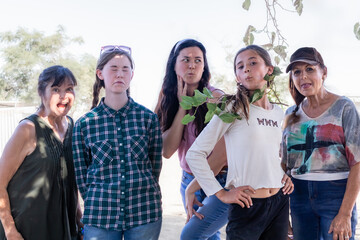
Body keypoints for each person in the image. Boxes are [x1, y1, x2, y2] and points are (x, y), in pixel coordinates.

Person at [186, 45, 294, 240]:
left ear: (269, 70)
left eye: (253, 63)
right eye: (240, 66)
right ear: (237, 76)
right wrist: (220, 193)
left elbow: (273, 153)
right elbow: (195, 154)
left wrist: (286, 173)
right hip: (247, 205)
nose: (246, 69)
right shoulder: (232, 109)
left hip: (279, 202)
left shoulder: (279, 112)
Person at [72, 45, 162, 240]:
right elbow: (81, 175)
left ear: (132, 75)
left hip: (144, 213)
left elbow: (155, 167)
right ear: (100, 73)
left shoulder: (148, 119)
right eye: (113, 68)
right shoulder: (84, 124)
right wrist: (98, 202)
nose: (119, 74)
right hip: (100, 217)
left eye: (125, 69)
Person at [282, 47, 360, 240]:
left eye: (309, 69)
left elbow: (358, 162)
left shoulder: (344, 107)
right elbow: (284, 166)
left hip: (336, 194)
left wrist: (345, 213)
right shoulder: (290, 114)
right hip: (298, 196)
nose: (303, 77)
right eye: (297, 72)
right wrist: (283, 214)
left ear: (323, 72)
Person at [155, 38, 229, 240]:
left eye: (198, 60)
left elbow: (222, 155)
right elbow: (167, 151)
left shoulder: (217, 98)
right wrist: (182, 105)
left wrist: (195, 186)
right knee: (207, 235)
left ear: (204, 66)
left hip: (219, 178)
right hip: (188, 177)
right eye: (185, 60)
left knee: (193, 235)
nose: (192, 65)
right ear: (174, 65)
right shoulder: (168, 98)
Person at [0, 65, 82, 240]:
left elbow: (69, 179)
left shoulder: (73, 126)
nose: (63, 96)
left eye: (69, 89)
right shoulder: (28, 129)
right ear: (41, 93)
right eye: (55, 89)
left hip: (64, 228)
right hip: (28, 230)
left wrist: (78, 217)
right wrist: (10, 231)